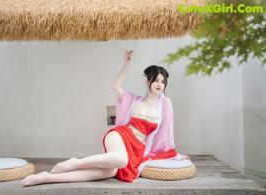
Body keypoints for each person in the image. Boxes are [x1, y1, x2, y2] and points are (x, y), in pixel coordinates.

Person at [21, 50, 190, 187]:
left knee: (110, 171)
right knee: (121, 160)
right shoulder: (133, 100)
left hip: (138, 148)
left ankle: (46, 178)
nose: (160, 84)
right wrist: (126, 64)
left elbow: (167, 135)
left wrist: (175, 154)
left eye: (163, 81)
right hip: (121, 136)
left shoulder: (166, 104)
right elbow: (116, 86)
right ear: (148, 81)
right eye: (156, 80)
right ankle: (75, 162)